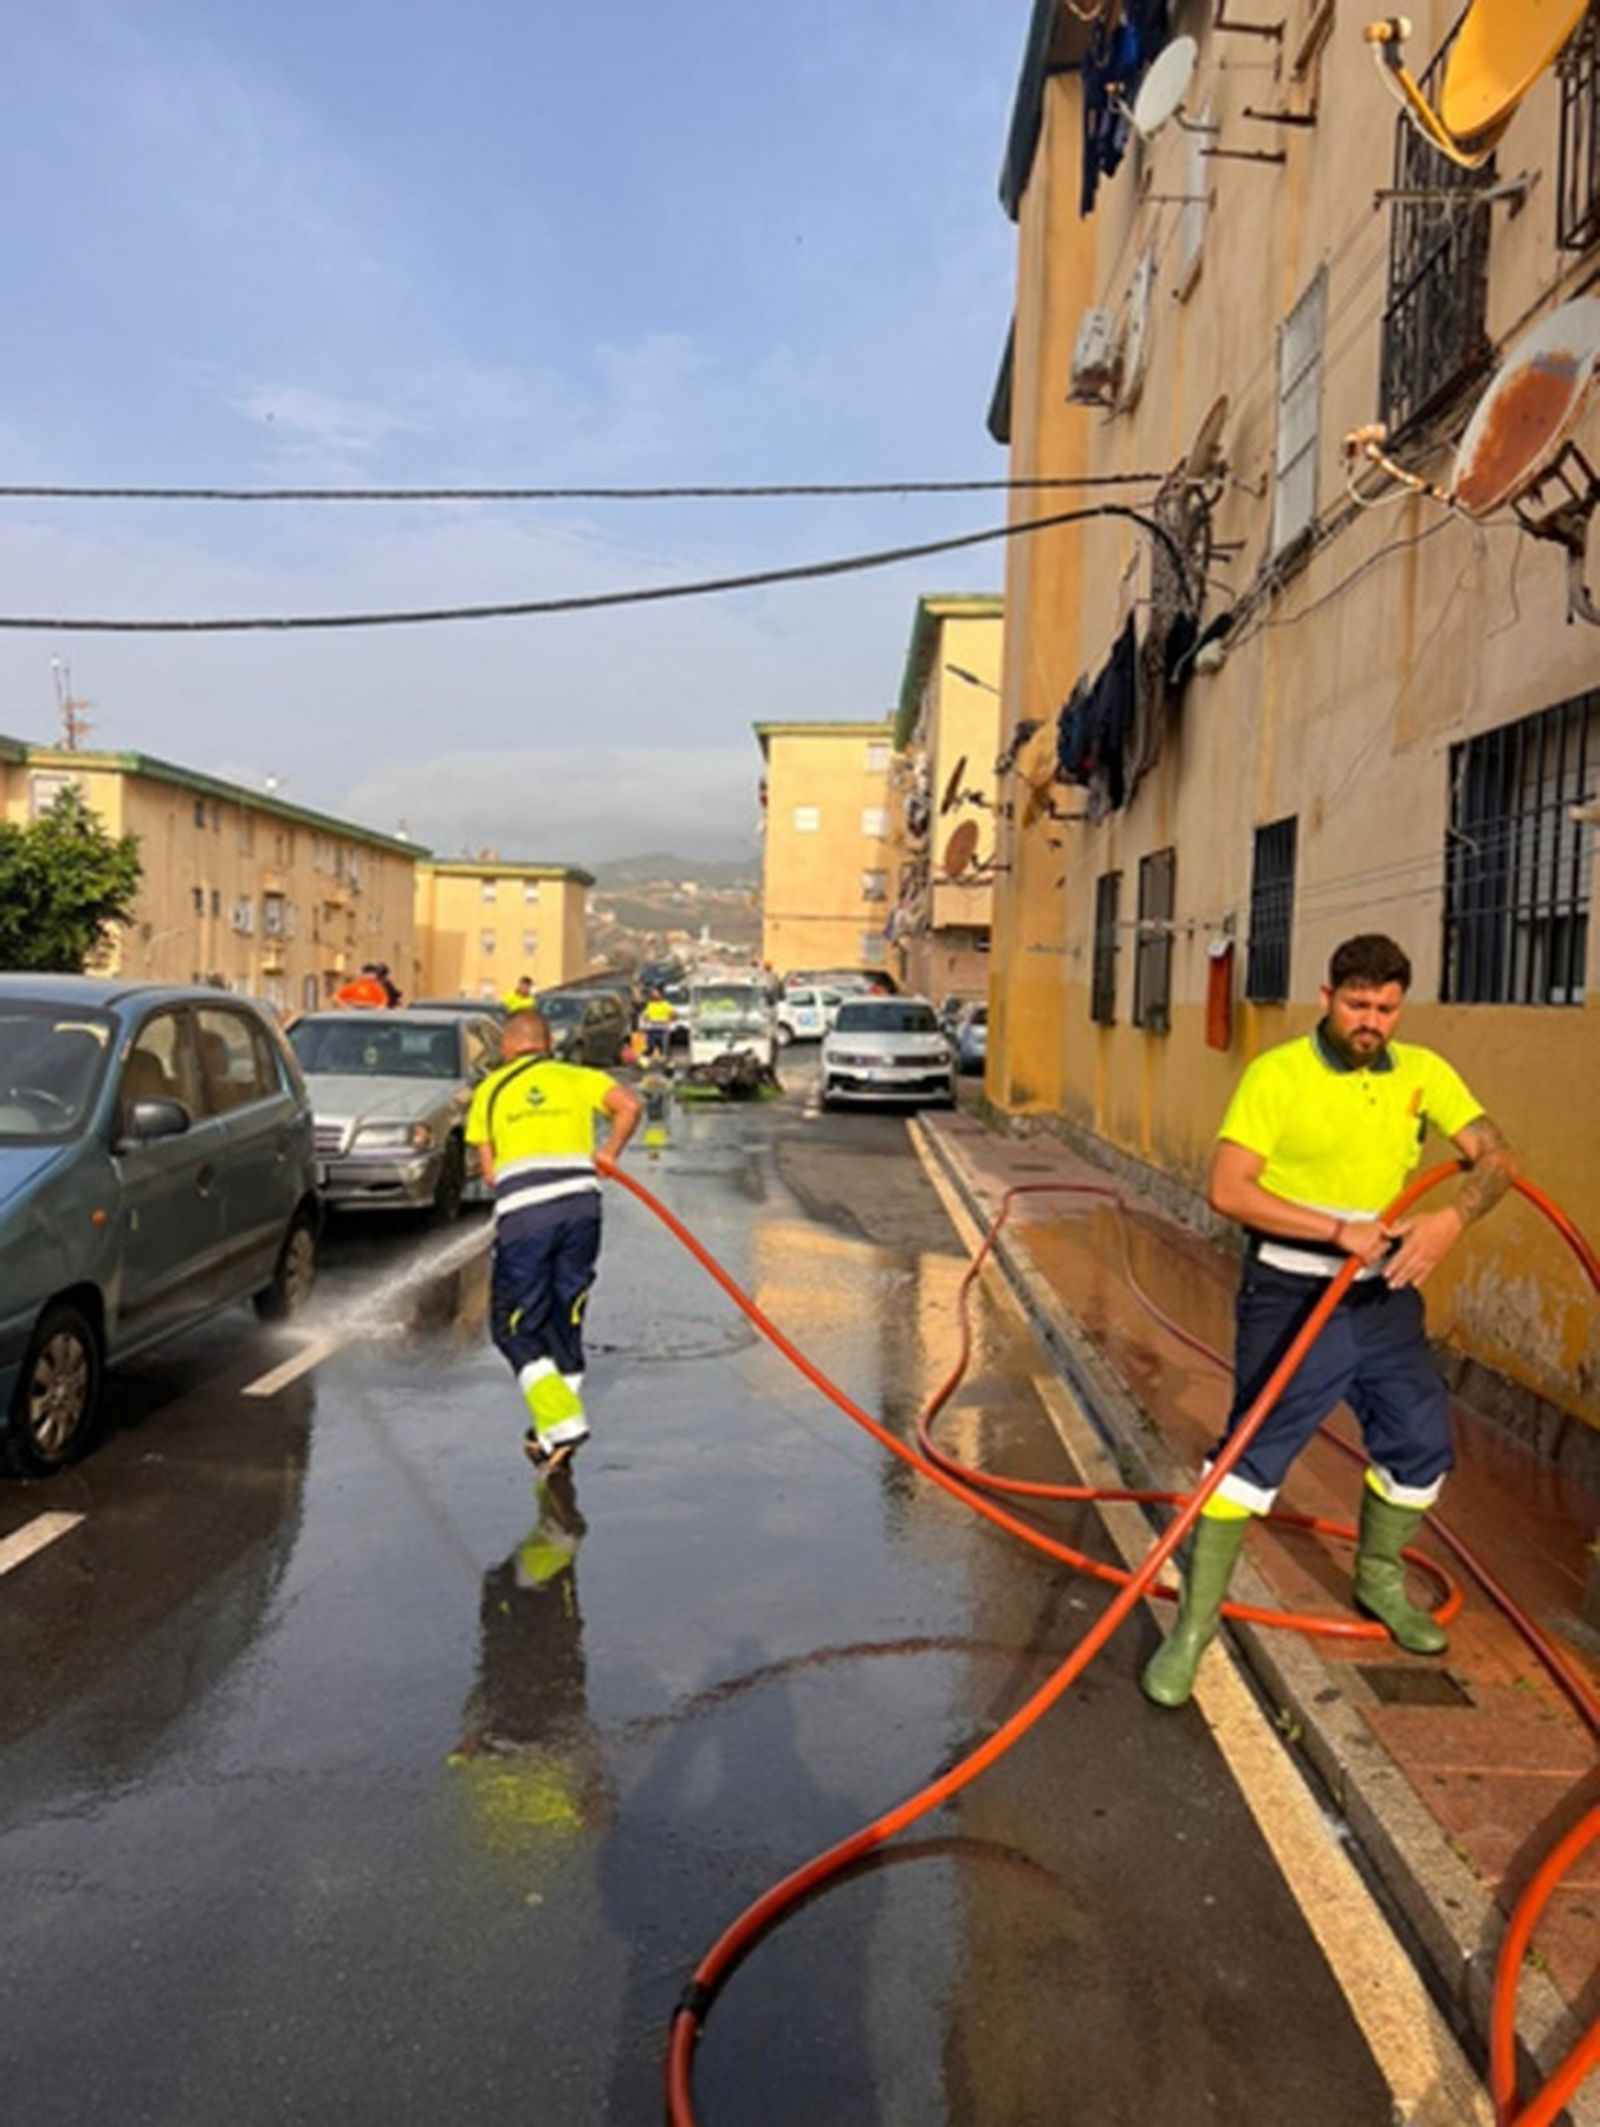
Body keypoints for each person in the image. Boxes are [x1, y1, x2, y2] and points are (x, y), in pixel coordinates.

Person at [1142, 933, 1516, 1710]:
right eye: (1356, 1004)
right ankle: (1194, 1627)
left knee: (1420, 1446)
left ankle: (1378, 1581)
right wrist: (1334, 1228)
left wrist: (1452, 1220)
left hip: (1383, 1302)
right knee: (1247, 1458)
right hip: (1291, 1291)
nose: (1370, 1021)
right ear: (1326, 997)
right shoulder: (1277, 1074)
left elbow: (1496, 1155)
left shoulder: (1423, 1074)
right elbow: (1229, 1188)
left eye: (1384, 1007)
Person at [467, 1009, 641, 1470]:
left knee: (512, 1324)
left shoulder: (491, 1090)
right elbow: (630, 1106)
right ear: (547, 1044)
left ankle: (563, 1422)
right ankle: (550, 1434)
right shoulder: (578, 1077)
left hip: (526, 1218)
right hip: (583, 1211)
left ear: (508, 1046)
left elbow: (489, 1173)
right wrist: (608, 1153)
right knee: (566, 1313)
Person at [641, 986, 674, 1067]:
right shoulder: (650, 1005)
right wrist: (644, 1024)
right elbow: (645, 1016)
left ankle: (668, 1065)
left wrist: (669, 1020)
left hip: (663, 1029)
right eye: (653, 994)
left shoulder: (666, 1005)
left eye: (656, 993)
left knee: (664, 1047)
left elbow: (673, 1015)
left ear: (661, 995)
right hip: (652, 1029)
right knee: (650, 1046)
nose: (654, 995)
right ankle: (644, 1064)